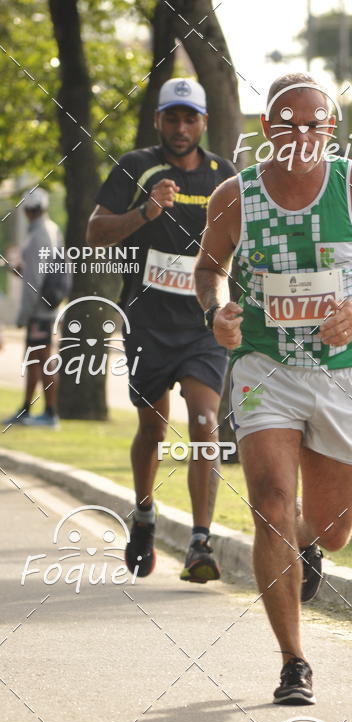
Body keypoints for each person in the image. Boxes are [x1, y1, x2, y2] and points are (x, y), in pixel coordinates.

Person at [194, 73, 352, 704]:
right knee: (270, 501)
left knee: (332, 526)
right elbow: (211, 268)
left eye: (314, 124)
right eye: (287, 123)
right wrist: (217, 309)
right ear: (266, 131)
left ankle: (309, 544)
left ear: (331, 131)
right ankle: (294, 661)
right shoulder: (234, 195)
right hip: (265, 367)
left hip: (344, 370)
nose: (301, 134)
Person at [87, 77, 236, 584]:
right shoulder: (136, 167)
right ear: (158, 121)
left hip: (202, 321)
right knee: (152, 428)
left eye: (189, 118)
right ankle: (145, 514)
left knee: (204, 423)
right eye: (171, 118)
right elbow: (95, 233)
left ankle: (200, 540)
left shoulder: (224, 175)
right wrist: (146, 210)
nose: (180, 128)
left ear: (203, 123)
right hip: (147, 321)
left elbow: (245, 237)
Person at [3, 187, 64, 429]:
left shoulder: (39, 234)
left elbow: (34, 281)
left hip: (40, 310)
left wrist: (23, 314)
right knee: (35, 359)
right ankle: (28, 408)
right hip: (44, 306)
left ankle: (49, 413)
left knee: (42, 358)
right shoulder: (50, 229)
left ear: (28, 211)